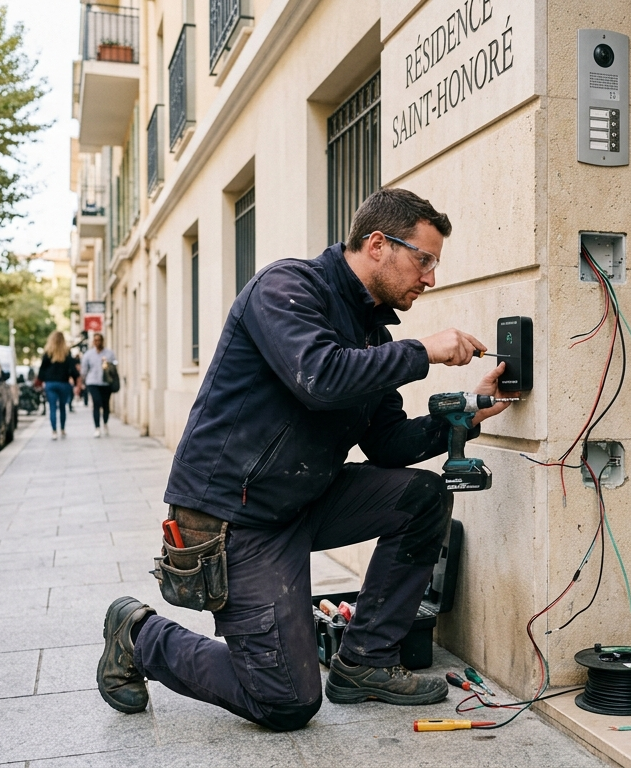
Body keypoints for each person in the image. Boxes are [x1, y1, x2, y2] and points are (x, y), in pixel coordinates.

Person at [96, 188, 513, 732]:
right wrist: (422, 351)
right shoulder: (286, 288)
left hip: (300, 501)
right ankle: (139, 634)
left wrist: (465, 418)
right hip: (232, 520)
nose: (430, 278)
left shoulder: (369, 333)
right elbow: (319, 377)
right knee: (285, 701)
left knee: (423, 496)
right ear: (379, 244)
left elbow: (388, 445)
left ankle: (365, 662)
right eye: (425, 259)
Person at [37, 331, 80, 440]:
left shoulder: (48, 353)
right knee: (62, 408)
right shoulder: (66, 353)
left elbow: (42, 370)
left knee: (52, 408)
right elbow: (73, 370)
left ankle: (54, 431)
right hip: (63, 384)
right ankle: (62, 429)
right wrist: (76, 383)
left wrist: (40, 381)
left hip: (50, 384)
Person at [81, 333, 117, 438]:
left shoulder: (109, 353)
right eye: (95, 340)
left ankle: (105, 423)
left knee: (106, 404)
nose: (97, 342)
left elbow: (114, 367)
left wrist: (109, 365)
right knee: (96, 403)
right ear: (93, 342)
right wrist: (83, 382)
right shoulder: (88, 354)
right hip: (93, 382)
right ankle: (97, 427)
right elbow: (84, 370)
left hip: (106, 383)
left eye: (99, 340)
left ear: (102, 341)